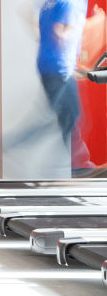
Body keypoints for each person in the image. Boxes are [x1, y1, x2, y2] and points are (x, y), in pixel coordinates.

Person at [37, 0, 103, 171]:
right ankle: (80, 166)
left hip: (50, 67)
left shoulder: (50, 3)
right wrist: (95, 25)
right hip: (59, 68)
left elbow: (41, 32)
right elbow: (59, 32)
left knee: (67, 119)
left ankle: (78, 166)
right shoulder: (69, 2)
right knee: (71, 117)